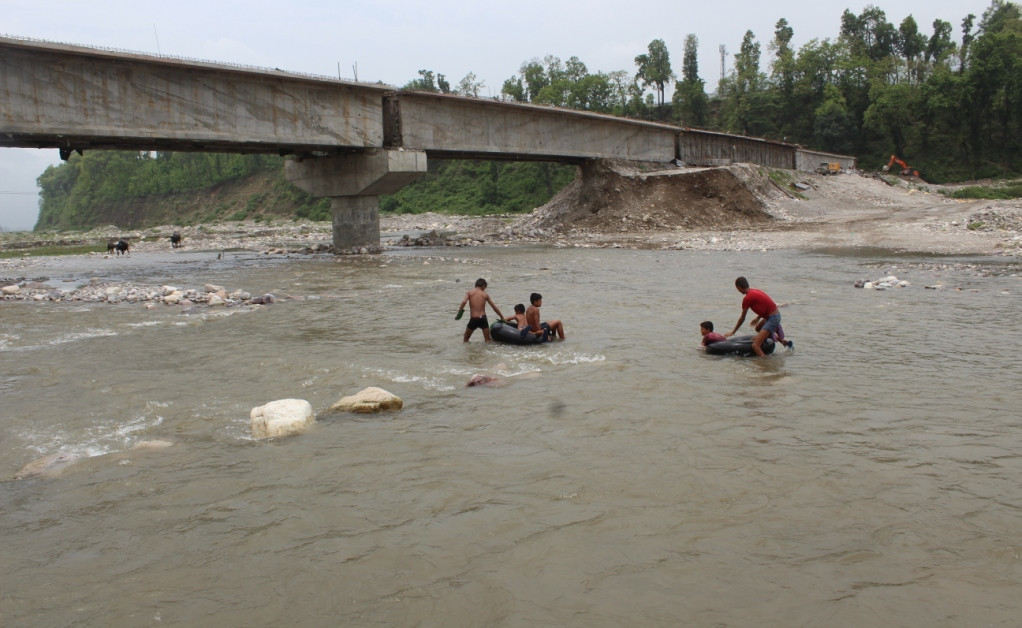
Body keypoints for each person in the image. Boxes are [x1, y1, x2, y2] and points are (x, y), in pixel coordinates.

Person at [725, 276, 786, 357]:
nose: (738, 290)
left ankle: (767, 364)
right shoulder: (754, 291)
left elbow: (742, 318)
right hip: (773, 316)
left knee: (755, 346)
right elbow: (766, 306)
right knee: (758, 328)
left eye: (737, 288)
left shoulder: (747, 298)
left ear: (739, 287)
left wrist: (733, 331)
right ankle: (783, 341)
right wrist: (757, 318)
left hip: (772, 319)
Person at [458, 278, 505, 342]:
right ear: (483, 286)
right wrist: (502, 317)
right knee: (487, 339)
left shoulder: (470, 293)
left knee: (466, 338)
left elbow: (464, 302)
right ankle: (488, 351)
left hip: (474, 318)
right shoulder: (485, 295)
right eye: (485, 287)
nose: (484, 289)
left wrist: (460, 312)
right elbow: (494, 307)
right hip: (483, 318)